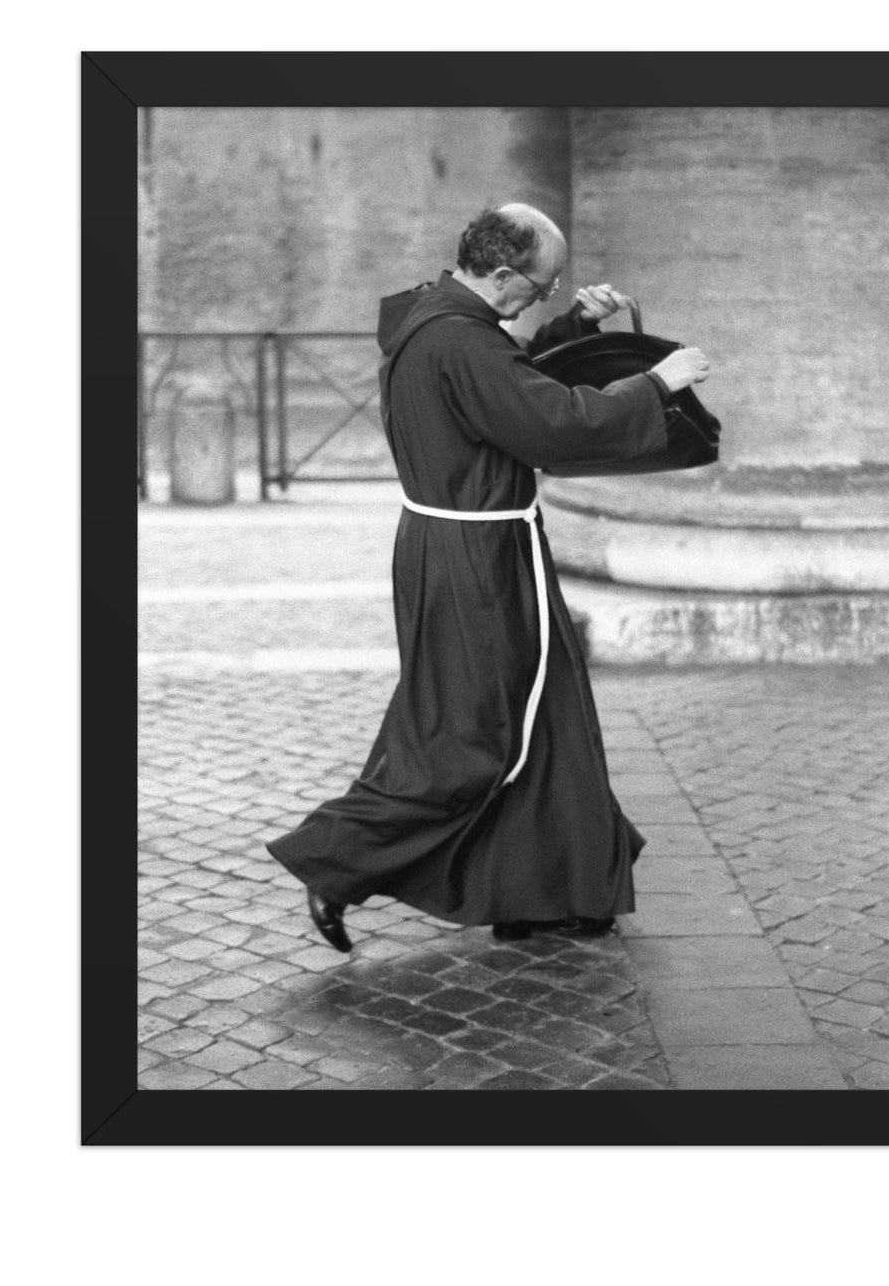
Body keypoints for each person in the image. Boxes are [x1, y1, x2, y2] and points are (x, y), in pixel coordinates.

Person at [266, 203, 712, 950]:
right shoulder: (459, 339)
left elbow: (505, 387)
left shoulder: (439, 317)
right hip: (476, 557)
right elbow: (551, 421)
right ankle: (336, 860)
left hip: (467, 544)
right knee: (469, 733)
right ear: (502, 272)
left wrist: (573, 326)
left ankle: (549, 889)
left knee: (547, 718)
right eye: (541, 286)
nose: (542, 296)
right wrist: (655, 384)